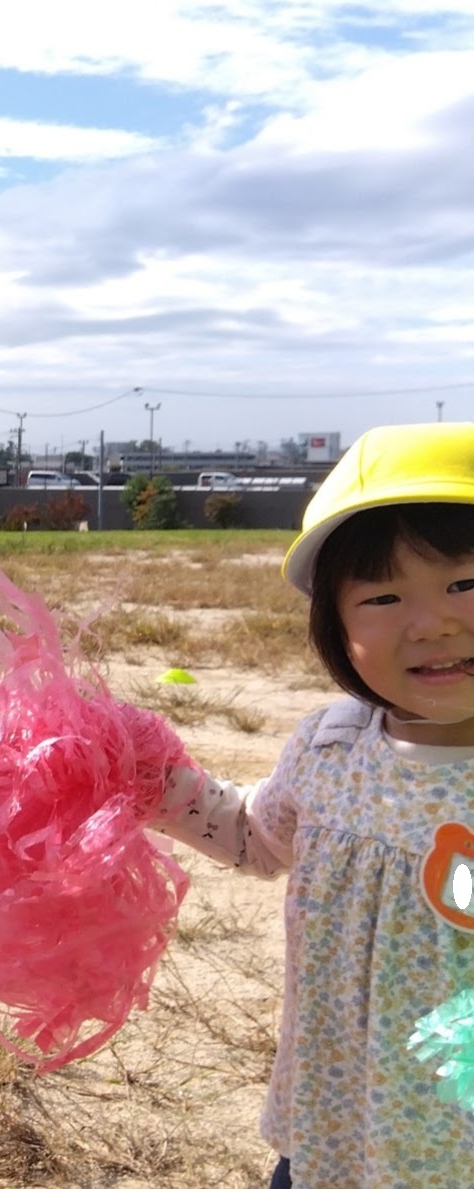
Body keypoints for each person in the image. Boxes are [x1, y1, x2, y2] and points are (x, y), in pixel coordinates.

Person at [155, 421, 474, 1188]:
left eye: (465, 582)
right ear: (335, 626)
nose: (430, 622)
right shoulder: (330, 746)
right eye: (383, 595)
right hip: (326, 1132)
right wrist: (149, 777)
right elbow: (258, 838)